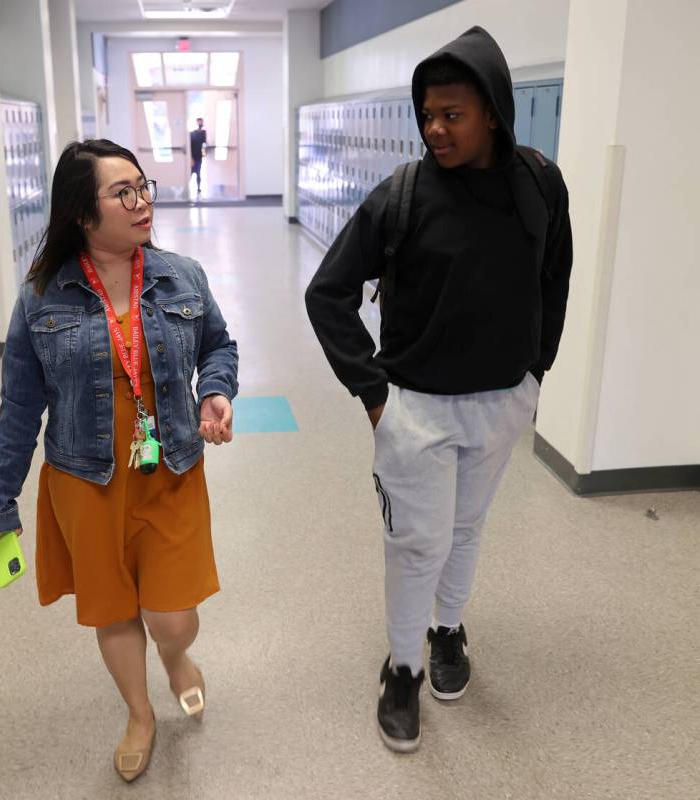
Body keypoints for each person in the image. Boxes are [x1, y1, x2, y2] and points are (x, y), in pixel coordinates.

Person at [304, 26, 573, 753]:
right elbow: (327, 293)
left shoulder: (538, 183)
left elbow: (554, 275)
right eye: (425, 113)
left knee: (464, 529)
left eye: (450, 113)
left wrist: (533, 372)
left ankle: (446, 630)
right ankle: (401, 668)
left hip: (499, 403)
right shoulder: (402, 194)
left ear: (491, 111)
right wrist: (375, 398)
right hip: (414, 408)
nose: (433, 128)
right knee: (414, 544)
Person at [0, 139, 238, 782]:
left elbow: (218, 345)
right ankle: (139, 715)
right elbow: (18, 408)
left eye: (143, 186)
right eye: (123, 192)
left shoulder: (183, 275)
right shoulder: (43, 296)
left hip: (169, 471)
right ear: (82, 215)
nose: (142, 199)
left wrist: (216, 391)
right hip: (84, 480)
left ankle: (176, 659)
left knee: (173, 615)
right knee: (115, 608)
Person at [189, 117, 207, 196]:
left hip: (199, 157)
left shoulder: (204, 133)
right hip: (192, 157)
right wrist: (191, 158)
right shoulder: (192, 134)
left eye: (201, 122)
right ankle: (186, 188)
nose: (200, 123)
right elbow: (190, 146)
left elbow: (205, 144)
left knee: (198, 173)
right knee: (190, 173)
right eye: (199, 122)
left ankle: (198, 188)